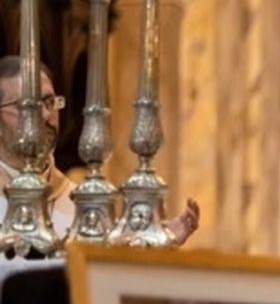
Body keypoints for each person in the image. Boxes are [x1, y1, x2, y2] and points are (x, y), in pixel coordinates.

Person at [0, 56, 201, 243]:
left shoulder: (81, 202)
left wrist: (159, 241)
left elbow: (106, 271)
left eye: (49, 102)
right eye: (26, 106)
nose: (45, 115)